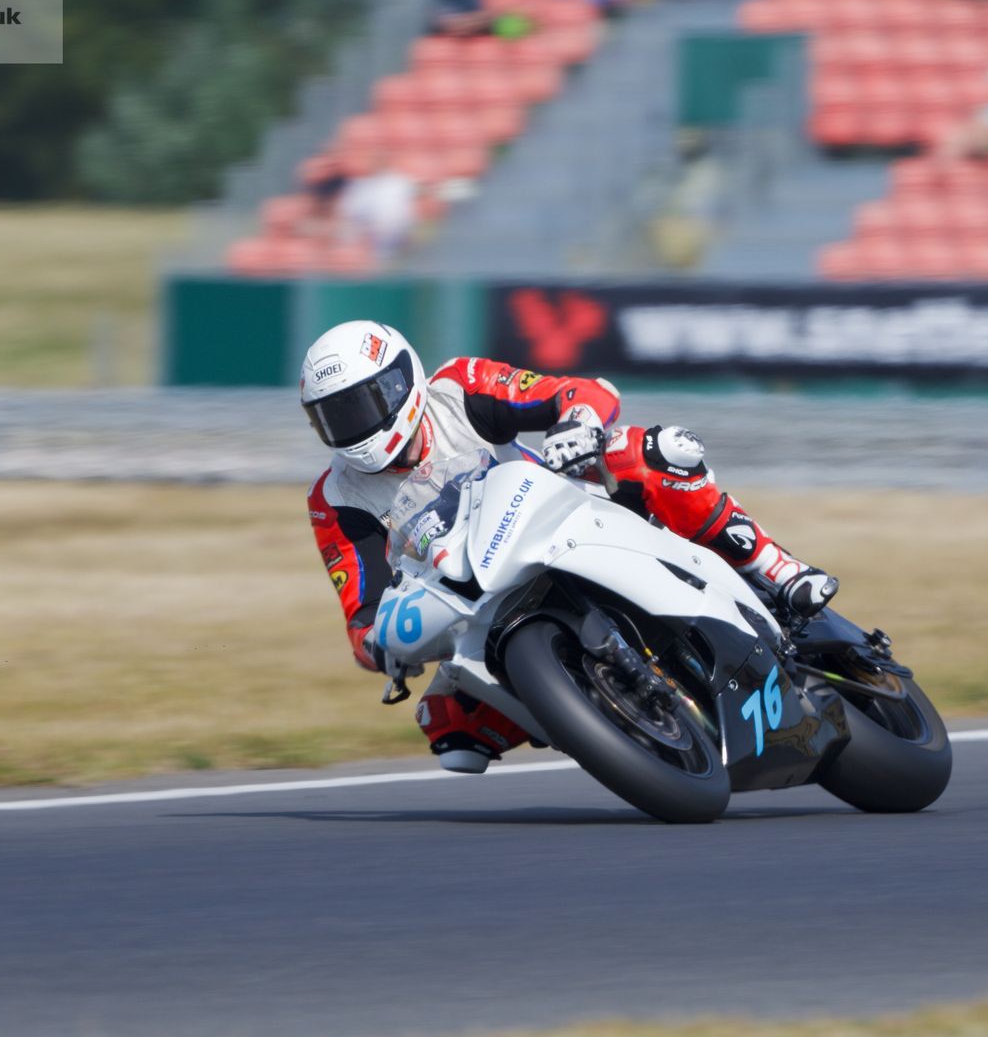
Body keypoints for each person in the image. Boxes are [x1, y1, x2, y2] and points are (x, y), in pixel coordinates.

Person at [301, 321, 840, 772]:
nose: (355, 427)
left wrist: (577, 424)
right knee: (450, 729)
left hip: (567, 517)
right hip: (478, 600)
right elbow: (362, 615)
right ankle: (613, 722)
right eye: (335, 417)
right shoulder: (334, 498)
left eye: (364, 404)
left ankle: (776, 568)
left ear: (401, 382)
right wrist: (384, 646)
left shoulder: (458, 389)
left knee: (651, 452)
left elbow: (579, 391)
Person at [337, 154, 419, 260]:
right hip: (363, 232)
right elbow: (349, 210)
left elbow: (406, 213)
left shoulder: (402, 183)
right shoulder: (360, 185)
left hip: (394, 232)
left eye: (381, 162)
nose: (378, 165)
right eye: (375, 162)